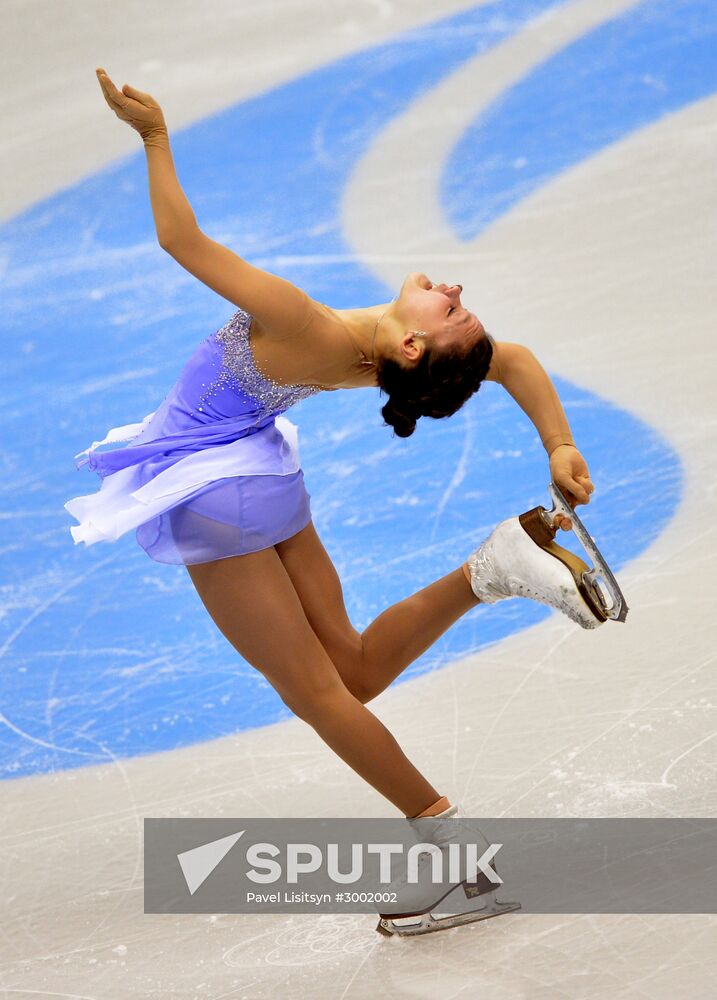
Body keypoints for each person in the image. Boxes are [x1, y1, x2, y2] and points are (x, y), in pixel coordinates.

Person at [66, 70, 598, 826]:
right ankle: (492, 568)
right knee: (353, 671)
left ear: (414, 342)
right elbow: (507, 360)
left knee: (314, 694)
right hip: (260, 475)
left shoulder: (300, 322)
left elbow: (179, 240)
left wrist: (153, 137)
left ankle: (440, 837)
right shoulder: (372, 365)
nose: (449, 286)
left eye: (451, 308)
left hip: (216, 493)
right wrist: (559, 444)